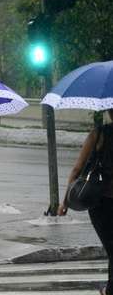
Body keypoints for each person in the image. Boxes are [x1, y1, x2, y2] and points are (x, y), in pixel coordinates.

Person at [58, 109, 113, 295]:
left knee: (111, 245)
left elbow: (77, 169)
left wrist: (64, 202)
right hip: (103, 201)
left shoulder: (99, 134)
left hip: (101, 201)